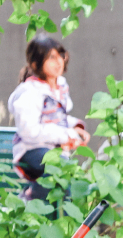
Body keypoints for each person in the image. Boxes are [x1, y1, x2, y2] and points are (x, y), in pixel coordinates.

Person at [7, 36, 90, 200]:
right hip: (31, 148)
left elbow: (58, 117)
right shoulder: (30, 92)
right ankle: (30, 202)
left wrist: (75, 128)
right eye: (51, 57)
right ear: (35, 63)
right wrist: (66, 135)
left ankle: (60, 219)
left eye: (60, 55)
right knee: (59, 168)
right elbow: (29, 131)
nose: (58, 61)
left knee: (66, 176)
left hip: (53, 148)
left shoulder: (60, 86)